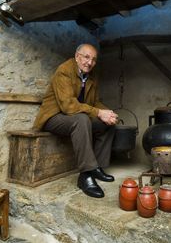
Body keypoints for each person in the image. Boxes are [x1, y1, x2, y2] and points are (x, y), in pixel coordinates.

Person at [33, 44, 118, 198]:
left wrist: (108, 113)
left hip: (75, 117)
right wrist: (98, 112)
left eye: (93, 59)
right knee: (82, 119)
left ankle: (96, 167)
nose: (89, 62)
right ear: (77, 56)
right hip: (54, 117)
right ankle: (85, 175)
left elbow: (94, 102)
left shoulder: (91, 76)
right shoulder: (64, 71)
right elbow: (67, 106)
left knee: (107, 124)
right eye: (86, 57)